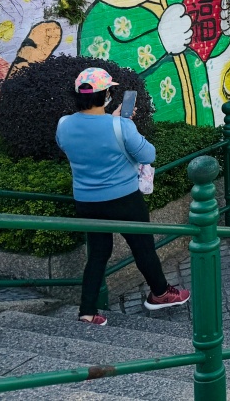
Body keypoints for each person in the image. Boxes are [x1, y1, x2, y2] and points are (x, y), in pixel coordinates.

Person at [56, 67, 190, 325]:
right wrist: (123, 123)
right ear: (106, 94)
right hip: (124, 200)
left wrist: (115, 122)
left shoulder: (63, 124)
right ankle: (160, 294)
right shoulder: (121, 126)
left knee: (97, 253)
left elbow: (73, 146)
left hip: (86, 202)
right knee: (142, 247)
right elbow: (148, 155)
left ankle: (87, 311)